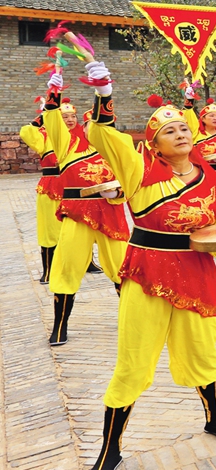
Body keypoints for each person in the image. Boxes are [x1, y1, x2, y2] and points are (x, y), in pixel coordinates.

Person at [79, 57, 216, 470]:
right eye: (169, 130)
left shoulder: (214, 180)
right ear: (154, 144)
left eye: (184, 128)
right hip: (148, 272)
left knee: (202, 352)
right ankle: (110, 450)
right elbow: (103, 136)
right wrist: (103, 95)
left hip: (196, 271)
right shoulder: (140, 171)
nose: (181, 133)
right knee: (133, 361)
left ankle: (215, 416)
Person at [41, 73, 130, 346]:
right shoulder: (67, 144)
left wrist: (117, 192)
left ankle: (134, 321)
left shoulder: (117, 149)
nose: (96, 127)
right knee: (66, 266)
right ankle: (59, 326)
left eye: (102, 123)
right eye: (92, 122)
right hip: (77, 214)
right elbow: (53, 121)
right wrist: (53, 93)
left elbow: (135, 180)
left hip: (111, 213)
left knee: (124, 268)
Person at [20, 97, 64, 284]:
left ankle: (85, 263)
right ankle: (48, 270)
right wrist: (42, 117)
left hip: (72, 186)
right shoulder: (44, 136)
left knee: (79, 227)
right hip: (50, 187)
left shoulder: (73, 136)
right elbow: (26, 132)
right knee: (49, 229)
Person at [182, 93, 216, 224]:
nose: (215, 118)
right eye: (211, 116)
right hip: (199, 176)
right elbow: (189, 120)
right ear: (203, 119)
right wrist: (189, 102)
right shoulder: (196, 134)